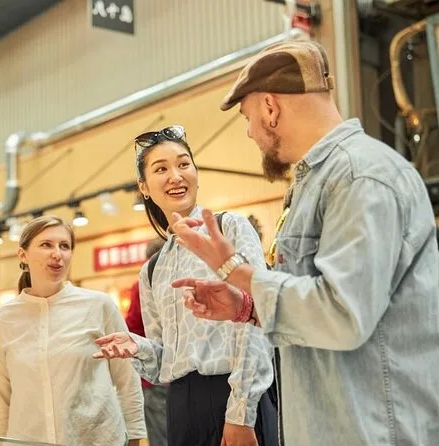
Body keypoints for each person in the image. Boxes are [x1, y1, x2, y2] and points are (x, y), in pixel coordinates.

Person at [170, 40, 439, 446]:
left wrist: (236, 271)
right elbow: (323, 306)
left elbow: (344, 314)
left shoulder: (359, 176)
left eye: (247, 117)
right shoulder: (319, 182)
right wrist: (249, 308)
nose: (249, 132)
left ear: (270, 108)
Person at [94, 126, 277, 446]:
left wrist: (241, 413)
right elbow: (164, 362)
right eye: (161, 169)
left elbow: (255, 322)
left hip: (233, 396)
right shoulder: (153, 269)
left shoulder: (229, 228)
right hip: (180, 407)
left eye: (183, 164)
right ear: (143, 187)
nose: (175, 176)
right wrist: (137, 347)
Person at [0, 216, 146, 446]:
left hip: (96, 439)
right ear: (23, 255)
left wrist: (136, 435)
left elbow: (127, 378)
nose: (57, 254)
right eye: (46, 245)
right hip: (28, 440)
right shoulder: (1, 319)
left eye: (64, 246)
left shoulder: (99, 306)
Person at [125, 238, 168, 446]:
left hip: (153, 375)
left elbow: (132, 324)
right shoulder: (180, 280)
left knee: (161, 436)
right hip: (183, 378)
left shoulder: (144, 283)